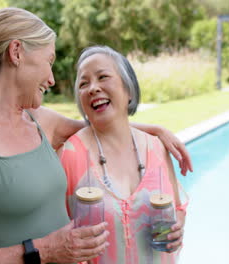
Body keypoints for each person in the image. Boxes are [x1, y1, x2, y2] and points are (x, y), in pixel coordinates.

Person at [0, 7, 192, 264]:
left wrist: (157, 131)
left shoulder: (39, 120)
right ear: (16, 52)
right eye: (48, 62)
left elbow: (106, 127)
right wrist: (46, 250)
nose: (51, 78)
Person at [60, 46, 188, 264]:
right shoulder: (69, 155)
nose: (93, 88)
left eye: (102, 77)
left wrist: (177, 230)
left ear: (128, 89)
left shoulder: (157, 147)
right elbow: (58, 237)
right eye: (83, 83)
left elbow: (177, 207)